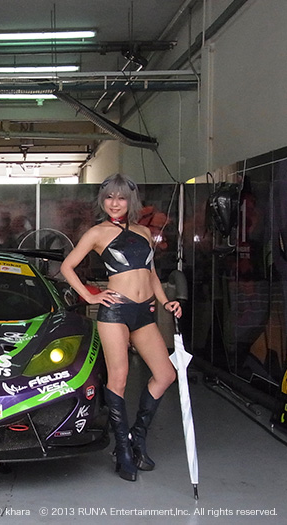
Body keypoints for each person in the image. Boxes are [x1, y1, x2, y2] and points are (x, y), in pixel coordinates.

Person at [60, 173, 180, 482]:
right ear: (103, 201)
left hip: (144, 312)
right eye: (109, 197)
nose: (115, 203)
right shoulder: (97, 232)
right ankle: (123, 449)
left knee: (166, 374)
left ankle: (137, 437)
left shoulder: (143, 231)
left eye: (121, 197)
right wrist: (90, 295)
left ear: (131, 200)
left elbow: (151, 273)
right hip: (115, 312)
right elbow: (67, 267)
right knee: (120, 378)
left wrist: (166, 302)